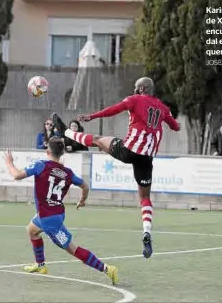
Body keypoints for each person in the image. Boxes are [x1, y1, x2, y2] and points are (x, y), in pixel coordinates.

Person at [51, 77, 180, 258]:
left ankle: (66, 132)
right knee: (144, 197)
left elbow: (114, 110)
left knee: (97, 140)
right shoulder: (163, 108)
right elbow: (176, 127)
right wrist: (170, 121)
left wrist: (91, 116)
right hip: (146, 159)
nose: (134, 89)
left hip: (129, 150)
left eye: (136, 87)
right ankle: (147, 232)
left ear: (142, 88)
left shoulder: (134, 99)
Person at [4, 137, 118, 285]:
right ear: (62, 153)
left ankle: (107, 269)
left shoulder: (41, 166)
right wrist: (82, 201)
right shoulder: (67, 172)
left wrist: (9, 163)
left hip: (49, 220)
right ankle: (40, 266)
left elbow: (16, 175)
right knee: (31, 230)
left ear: (47, 151)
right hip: (53, 213)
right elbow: (85, 186)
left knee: (73, 249)